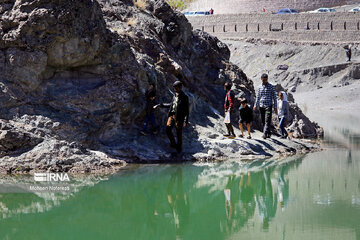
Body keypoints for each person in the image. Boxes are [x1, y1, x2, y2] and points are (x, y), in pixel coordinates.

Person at [156, 81, 189, 153]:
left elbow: (186, 110)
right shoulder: (175, 95)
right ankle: (174, 144)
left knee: (178, 133)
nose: (175, 89)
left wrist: (185, 121)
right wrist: (160, 105)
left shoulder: (184, 97)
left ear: (180, 88)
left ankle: (179, 150)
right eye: (174, 88)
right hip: (172, 115)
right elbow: (171, 105)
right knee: (168, 129)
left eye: (176, 88)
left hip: (180, 117)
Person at [253, 73, 277, 139]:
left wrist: (275, 107)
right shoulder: (259, 87)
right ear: (261, 79)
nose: (264, 81)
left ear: (267, 79)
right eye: (263, 80)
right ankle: (268, 133)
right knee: (263, 120)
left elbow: (275, 97)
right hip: (261, 106)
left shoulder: (271, 87)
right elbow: (258, 97)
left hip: (268, 106)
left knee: (268, 119)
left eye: (265, 80)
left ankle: (265, 134)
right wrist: (255, 105)